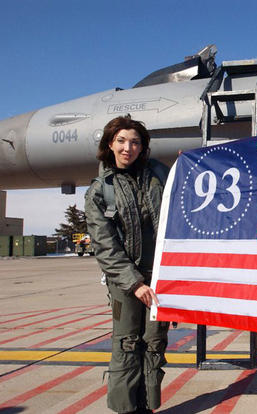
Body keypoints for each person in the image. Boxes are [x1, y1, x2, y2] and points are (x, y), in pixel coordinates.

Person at [85, 115, 169, 414]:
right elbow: (105, 246)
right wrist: (134, 283)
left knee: (155, 342)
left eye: (135, 142)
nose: (127, 147)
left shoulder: (159, 175)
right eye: (121, 141)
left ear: (142, 146)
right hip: (126, 282)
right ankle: (126, 409)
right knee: (127, 344)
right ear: (110, 144)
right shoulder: (99, 190)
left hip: (159, 276)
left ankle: (147, 406)